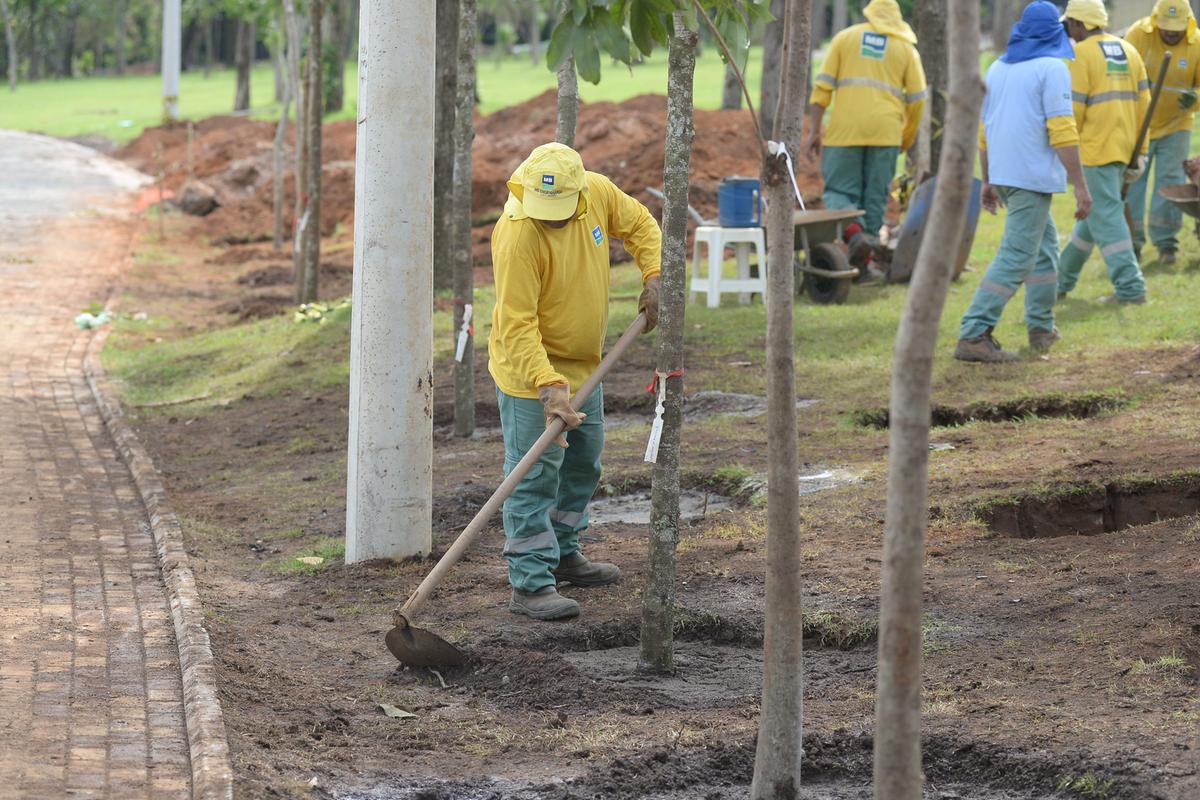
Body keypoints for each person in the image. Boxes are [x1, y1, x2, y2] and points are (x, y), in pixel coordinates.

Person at [488, 142, 662, 621]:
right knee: (534, 474)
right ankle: (530, 582)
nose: (552, 219)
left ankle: (563, 551)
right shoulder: (518, 232)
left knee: (584, 462)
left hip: (587, 366)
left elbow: (642, 225)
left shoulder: (598, 192)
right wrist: (548, 385)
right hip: (531, 373)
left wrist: (656, 275)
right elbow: (517, 323)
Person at [955, 1, 1092, 363]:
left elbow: (985, 132)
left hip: (1005, 174)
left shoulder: (997, 68)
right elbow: (1062, 130)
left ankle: (1041, 328)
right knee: (1016, 256)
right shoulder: (1052, 68)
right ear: (1055, 32)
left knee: (1044, 249)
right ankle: (974, 332)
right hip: (1029, 177)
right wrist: (1080, 184)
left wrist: (988, 180)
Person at [802, 0, 926, 270]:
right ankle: (864, 263)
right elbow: (918, 100)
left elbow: (822, 89)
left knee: (838, 191)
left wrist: (813, 130)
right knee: (875, 197)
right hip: (886, 134)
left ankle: (853, 235)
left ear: (869, 13)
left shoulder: (844, 39)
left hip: (844, 132)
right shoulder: (905, 49)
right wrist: (906, 137)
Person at [1056, 0, 1151, 305]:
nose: (1069, 30)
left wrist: (1065, 153)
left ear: (1080, 24)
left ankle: (1131, 288)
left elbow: (1073, 111)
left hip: (1094, 152)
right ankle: (1060, 281)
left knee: (1107, 220)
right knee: (1093, 220)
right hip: (1124, 149)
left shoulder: (1080, 55)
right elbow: (1144, 106)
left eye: (1070, 24)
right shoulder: (1128, 50)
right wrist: (1141, 151)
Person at [1125, 0, 1200, 265]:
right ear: (1155, 20)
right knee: (1133, 181)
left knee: (1169, 182)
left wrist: (1196, 98)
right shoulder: (1137, 35)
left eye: (1177, 28)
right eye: (1166, 27)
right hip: (1138, 123)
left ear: (1188, 24)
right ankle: (1131, 243)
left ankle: (1166, 244)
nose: (1171, 32)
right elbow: (1120, 77)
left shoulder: (1197, 43)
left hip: (1176, 125)